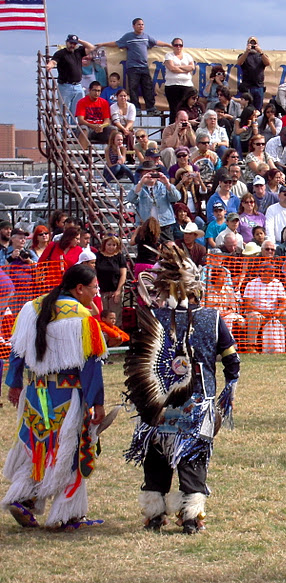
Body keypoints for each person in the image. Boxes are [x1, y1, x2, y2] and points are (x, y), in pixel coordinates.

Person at [124, 245, 239, 534]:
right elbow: (231, 359)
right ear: (195, 286)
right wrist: (230, 387)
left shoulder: (154, 316)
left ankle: (154, 514)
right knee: (193, 456)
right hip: (198, 403)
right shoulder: (212, 317)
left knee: (157, 456)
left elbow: (137, 357)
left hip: (157, 402)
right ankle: (191, 517)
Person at [2, 264, 107, 529]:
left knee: (37, 447)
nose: (96, 293)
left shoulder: (31, 308)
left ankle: (22, 498)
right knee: (69, 451)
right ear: (79, 288)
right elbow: (90, 366)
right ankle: (66, 515)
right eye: (94, 288)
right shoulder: (83, 319)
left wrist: (14, 384)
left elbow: (17, 351)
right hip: (67, 396)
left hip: (34, 395)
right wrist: (96, 402)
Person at [96, 18, 171, 114]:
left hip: (144, 66)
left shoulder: (146, 37)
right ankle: (136, 108)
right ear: (134, 26)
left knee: (148, 88)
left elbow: (157, 42)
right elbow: (116, 43)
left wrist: (169, 45)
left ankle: (150, 108)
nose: (141, 26)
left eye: (142, 24)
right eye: (139, 24)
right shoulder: (128, 37)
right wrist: (102, 44)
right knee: (133, 88)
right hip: (133, 67)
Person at [127, 161, 180, 239]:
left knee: (167, 246)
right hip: (146, 225)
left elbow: (176, 198)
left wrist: (167, 183)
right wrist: (141, 183)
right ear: (142, 174)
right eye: (147, 172)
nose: (150, 175)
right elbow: (131, 199)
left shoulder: (164, 186)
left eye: (153, 172)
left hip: (164, 225)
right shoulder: (138, 188)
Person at [47, 34, 96, 118]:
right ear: (66, 42)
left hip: (78, 86)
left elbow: (91, 48)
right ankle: (64, 126)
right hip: (65, 86)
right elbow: (54, 61)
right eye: (71, 43)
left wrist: (79, 40)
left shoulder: (78, 52)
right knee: (64, 111)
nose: (72, 45)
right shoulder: (60, 53)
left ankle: (75, 126)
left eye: (74, 43)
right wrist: (50, 65)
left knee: (77, 110)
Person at [235, 36, 270, 110]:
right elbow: (239, 63)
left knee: (258, 108)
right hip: (247, 86)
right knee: (247, 108)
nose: (253, 45)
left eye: (254, 43)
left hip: (259, 86)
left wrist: (260, 52)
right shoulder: (243, 55)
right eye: (251, 43)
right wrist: (247, 51)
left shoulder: (261, 56)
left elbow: (268, 63)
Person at [75, 80, 114, 146]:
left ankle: (113, 151)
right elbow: (80, 120)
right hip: (88, 127)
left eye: (98, 91)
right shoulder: (82, 102)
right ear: (89, 90)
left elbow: (107, 120)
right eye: (94, 90)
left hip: (100, 128)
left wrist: (101, 126)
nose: (96, 93)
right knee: (83, 129)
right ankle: (83, 151)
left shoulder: (104, 102)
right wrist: (93, 126)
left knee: (113, 130)